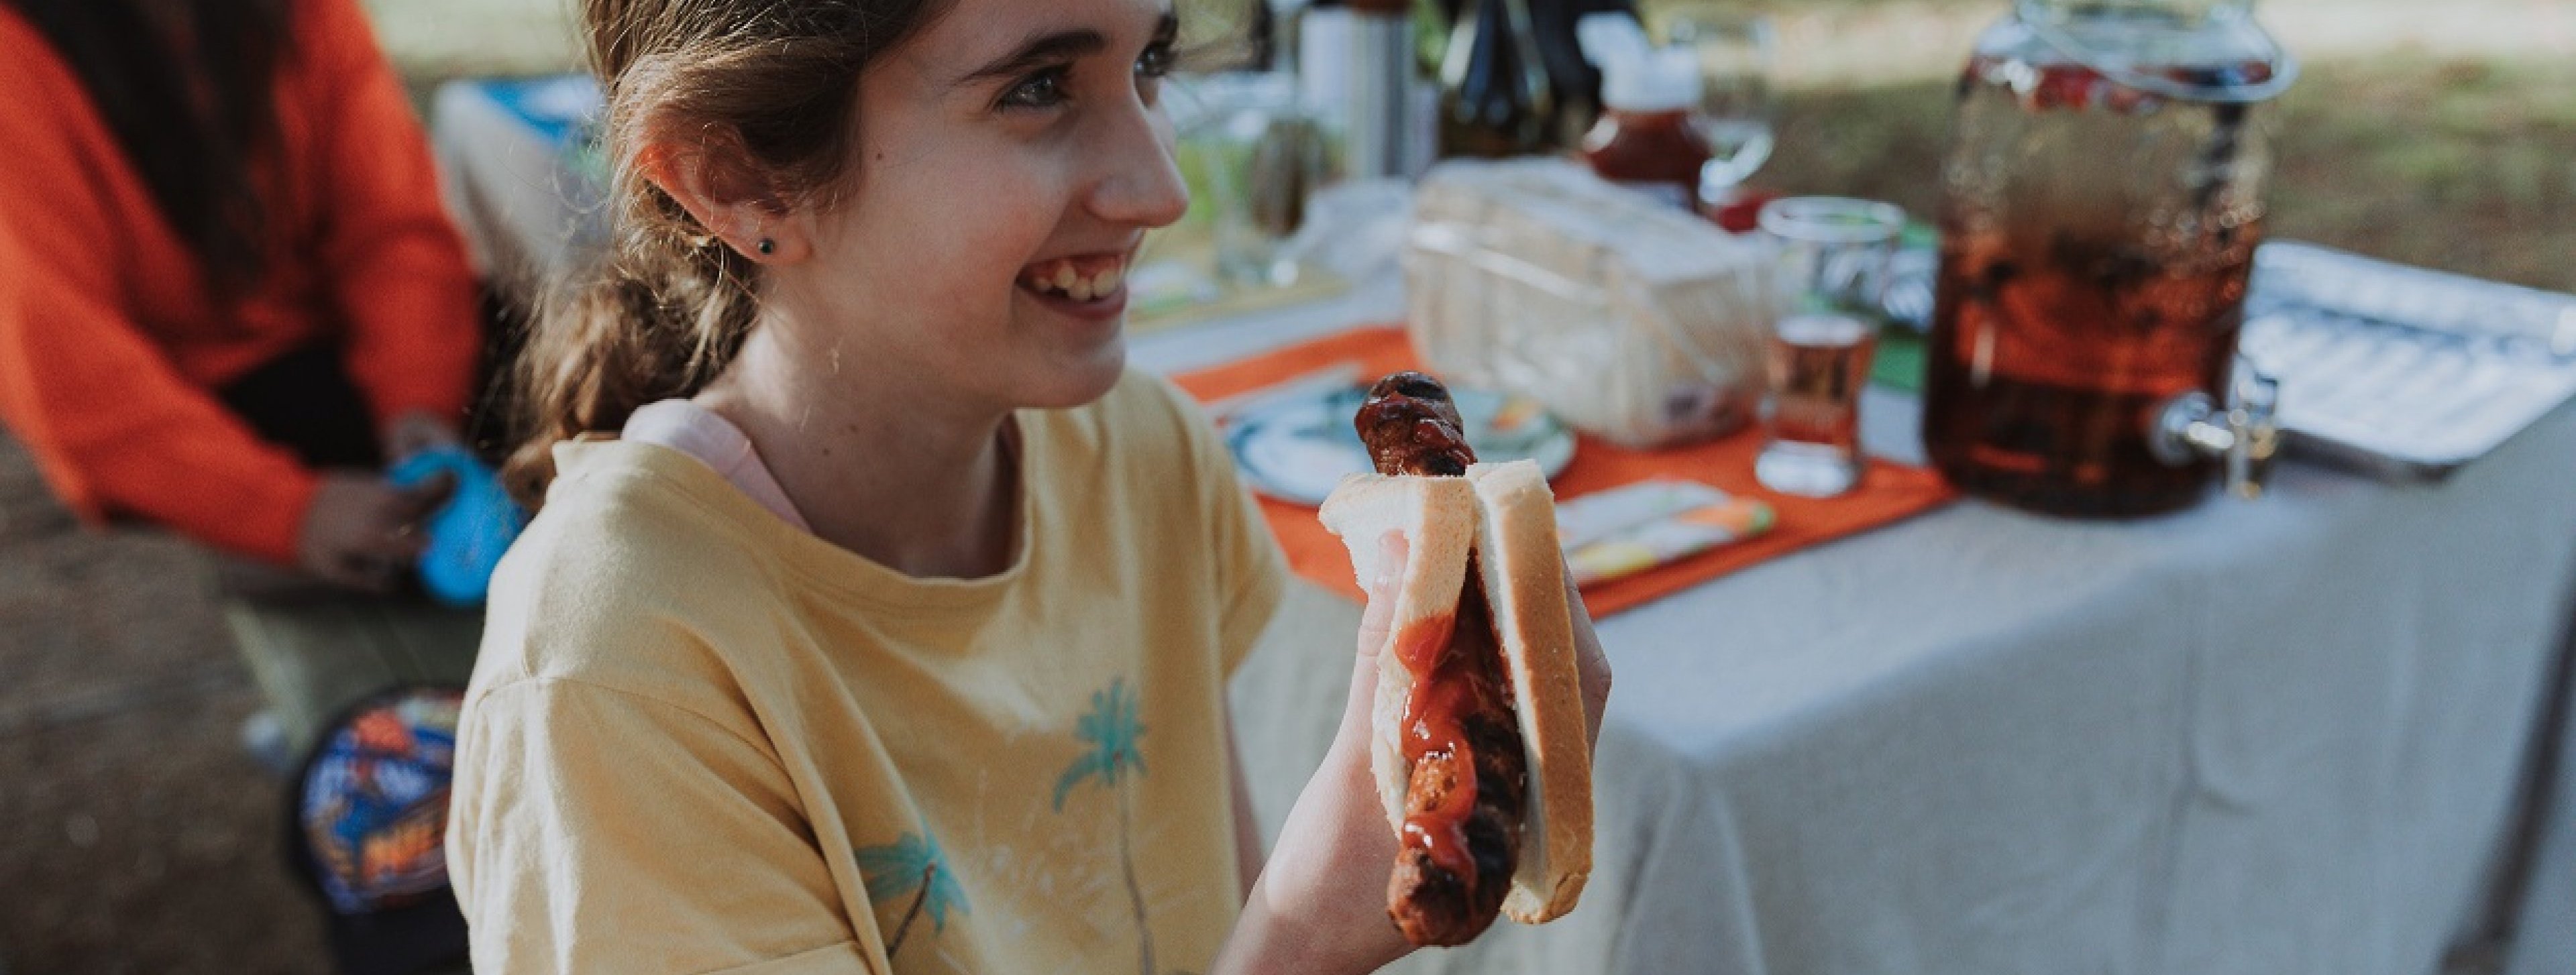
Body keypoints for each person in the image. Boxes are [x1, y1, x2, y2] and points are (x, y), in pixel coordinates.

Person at [443, 1, 1609, 973]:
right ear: (738, 176)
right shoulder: (615, 664)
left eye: (1146, 61)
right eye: (1039, 86)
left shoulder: (1141, 450)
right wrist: (1304, 941)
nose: (1160, 189)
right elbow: (1265, 934)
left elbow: (1206, 913)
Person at [0, 0, 482, 592]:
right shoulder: (16, 57)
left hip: (351, 378)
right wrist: (290, 515)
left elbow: (394, 231)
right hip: (188, 421)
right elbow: (67, 368)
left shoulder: (309, 15)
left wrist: (417, 401)